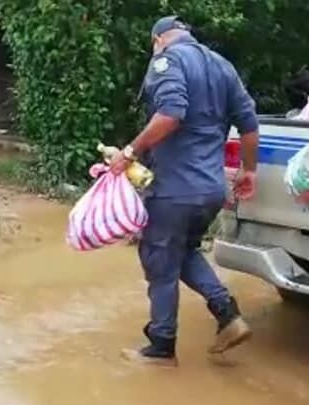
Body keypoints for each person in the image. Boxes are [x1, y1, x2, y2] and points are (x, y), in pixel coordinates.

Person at [109, 16, 260, 367]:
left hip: (174, 188)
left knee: (159, 260)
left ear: (158, 39)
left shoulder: (167, 60)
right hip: (211, 189)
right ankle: (227, 314)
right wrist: (248, 169)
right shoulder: (222, 66)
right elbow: (250, 124)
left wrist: (129, 153)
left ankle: (161, 347)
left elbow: (171, 113)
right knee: (185, 251)